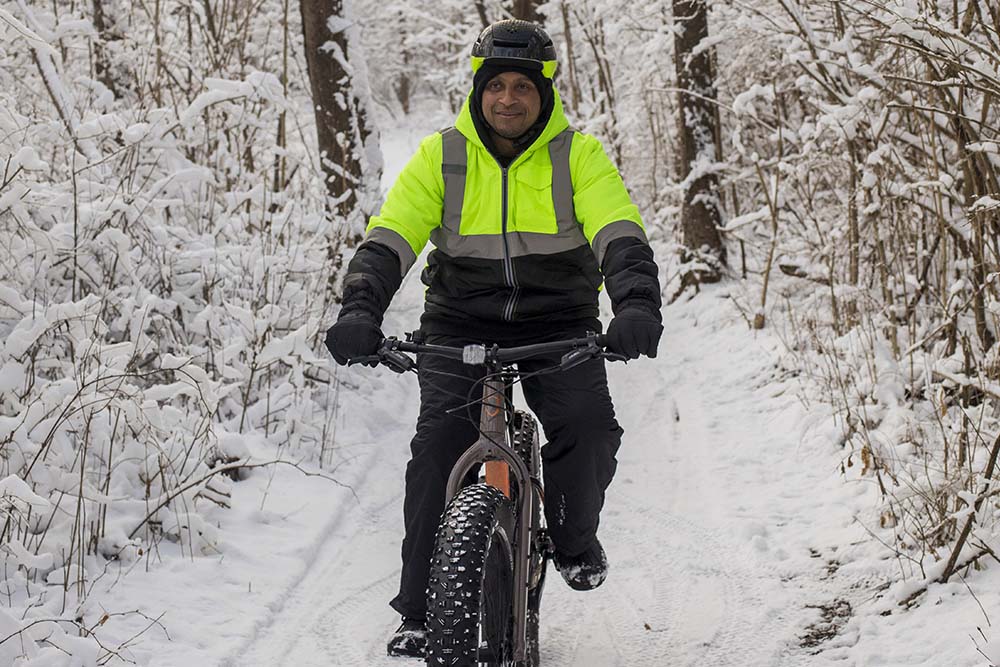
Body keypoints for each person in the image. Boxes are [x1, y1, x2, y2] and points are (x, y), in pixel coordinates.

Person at [324, 19, 662, 659]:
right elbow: (390, 236)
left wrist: (636, 303)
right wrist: (360, 310)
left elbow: (619, 231)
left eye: (524, 87)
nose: (509, 99)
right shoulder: (442, 156)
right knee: (436, 453)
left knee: (587, 425)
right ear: (477, 89)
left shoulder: (578, 157)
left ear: (546, 94)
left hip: (558, 322)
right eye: (496, 85)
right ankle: (422, 611)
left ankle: (571, 539)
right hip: (459, 323)